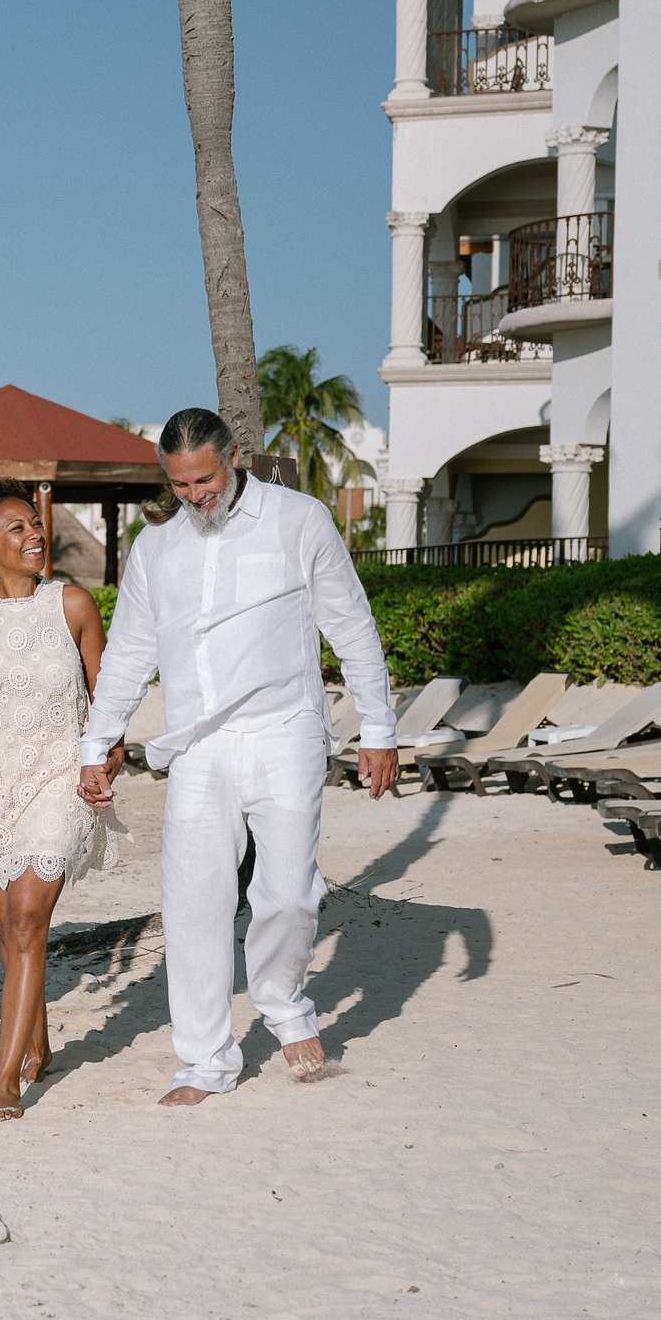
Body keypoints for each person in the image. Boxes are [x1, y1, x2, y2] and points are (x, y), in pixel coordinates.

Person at [76, 408, 398, 1106]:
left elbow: (351, 623)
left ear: (235, 457)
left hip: (285, 730)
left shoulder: (298, 518)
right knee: (193, 901)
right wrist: (96, 744)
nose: (196, 496)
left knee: (287, 892)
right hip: (196, 744)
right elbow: (128, 652)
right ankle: (204, 1061)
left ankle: (283, 1003)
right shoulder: (155, 548)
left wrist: (378, 727)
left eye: (206, 480)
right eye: (180, 484)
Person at [0, 478, 123, 1122]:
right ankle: (39, 1044)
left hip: (60, 780)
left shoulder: (73, 604)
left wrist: (109, 755)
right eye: (15, 528)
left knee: (24, 924)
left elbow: (108, 699)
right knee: (12, 934)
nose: (34, 534)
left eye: (35, 524)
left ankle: (5, 1082)